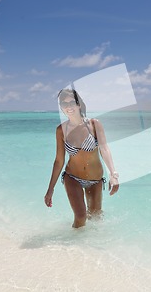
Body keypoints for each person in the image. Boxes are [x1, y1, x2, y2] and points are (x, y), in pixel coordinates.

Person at [44, 89, 119, 228]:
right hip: (72, 177)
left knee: (96, 217)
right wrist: (50, 189)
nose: (69, 106)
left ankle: (90, 248)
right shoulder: (61, 130)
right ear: (61, 107)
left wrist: (113, 175)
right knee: (80, 216)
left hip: (95, 180)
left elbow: (104, 149)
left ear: (79, 104)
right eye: (64, 103)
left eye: (72, 102)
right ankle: (72, 246)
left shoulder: (94, 124)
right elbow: (59, 160)